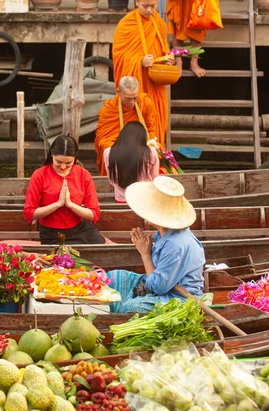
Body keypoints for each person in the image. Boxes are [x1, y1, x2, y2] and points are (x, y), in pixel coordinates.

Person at [108, 175, 205, 313]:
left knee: (129, 308)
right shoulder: (162, 233)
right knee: (113, 277)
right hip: (161, 283)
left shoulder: (174, 244)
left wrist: (145, 254)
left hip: (178, 296)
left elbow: (159, 287)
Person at [112, 0, 170, 146]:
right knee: (136, 124)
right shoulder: (126, 24)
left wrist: (167, 59)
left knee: (156, 124)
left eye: (153, 5)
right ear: (137, 1)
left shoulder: (158, 22)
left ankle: (155, 158)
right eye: (145, 6)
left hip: (155, 86)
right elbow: (119, 56)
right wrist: (139, 61)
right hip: (136, 87)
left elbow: (162, 49)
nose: (150, 10)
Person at [24, 135, 105, 245]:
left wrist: (70, 205)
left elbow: (94, 214)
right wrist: (57, 204)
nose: (63, 167)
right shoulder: (39, 175)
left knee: (99, 246)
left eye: (68, 163)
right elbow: (29, 213)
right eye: (58, 162)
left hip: (79, 229)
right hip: (51, 233)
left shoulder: (83, 174)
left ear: (75, 159)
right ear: (52, 155)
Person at [95, 76, 158, 175]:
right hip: (118, 145)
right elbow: (102, 138)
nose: (132, 102)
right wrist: (121, 149)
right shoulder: (109, 109)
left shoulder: (145, 102)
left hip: (141, 144)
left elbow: (150, 128)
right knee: (106, 148)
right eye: (128, 98)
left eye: (135, 98)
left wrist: (150, 143)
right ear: (118, 92)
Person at [104, 121, 159, 203]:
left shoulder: (108, 152)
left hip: (121, 199)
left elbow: (111, 178)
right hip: (145, 201)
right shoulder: (151, 151)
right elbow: (155, 177)